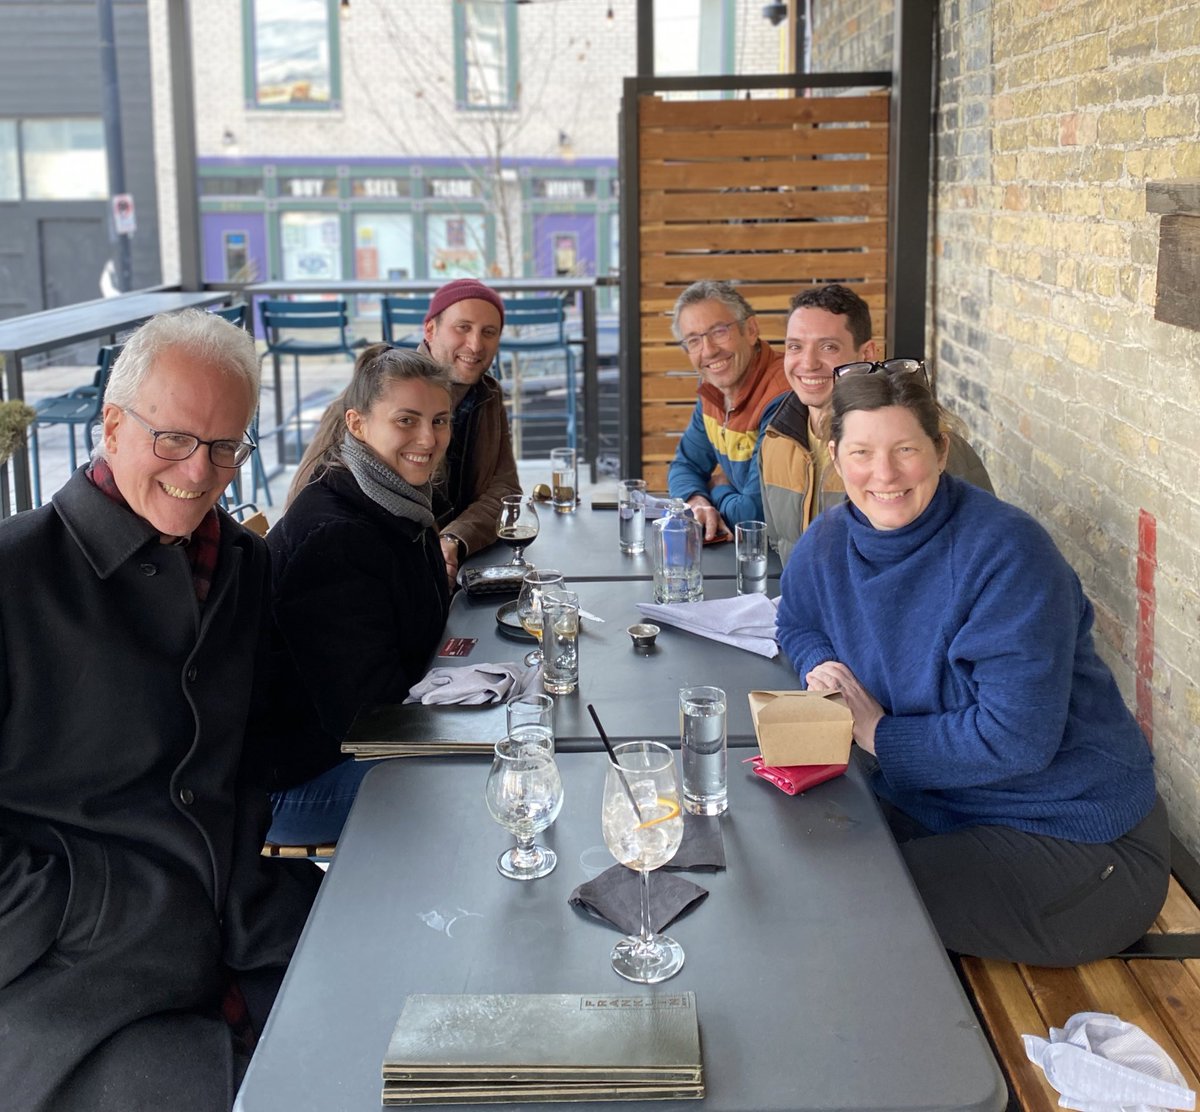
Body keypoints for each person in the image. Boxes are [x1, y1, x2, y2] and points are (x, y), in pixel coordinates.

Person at [0, 310, 320, 1112]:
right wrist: (80, 909)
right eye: (173, 438)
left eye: (225, 447)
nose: (199, 470)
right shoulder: (14, 575)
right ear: (112, 425)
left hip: (250, 930)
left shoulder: (242, 563)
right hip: (81, 981)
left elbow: (251, 753)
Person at [775, 368, 1169, 967]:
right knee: (790, 861)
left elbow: (1016, 740)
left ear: (939, 449)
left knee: (840, 910)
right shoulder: (828, 542)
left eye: (905, 449)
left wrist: (875, 730)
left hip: (1077, 841)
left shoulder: (1007, 554)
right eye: (861, 452)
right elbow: (797, 620)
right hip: (939, 811)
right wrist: (821, 665)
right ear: (834, 455)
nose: (883, 475)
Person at [268, 345, 454, 845]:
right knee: (489, 774)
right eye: (406, 420)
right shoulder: (336, 534)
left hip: (348, 746)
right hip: (297, 784)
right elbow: (367, 716)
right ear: (356, 423)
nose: (427, 438)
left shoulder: (394, 501)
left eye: (440, 421)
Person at [760, 284, 993, 564]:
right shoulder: (776, 439)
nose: (807, 363)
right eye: (795, 347)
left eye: (828, 347)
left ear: (868, 353)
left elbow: (980, 550)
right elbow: (779, 544)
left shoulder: (927, 443)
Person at [666, 280, 789, 540]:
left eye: (719, 331)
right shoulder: (714, 388)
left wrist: (718, 486)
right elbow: (684, 466)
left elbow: (753, 516)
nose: (708, 350)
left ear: (751, 330)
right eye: (694, 340)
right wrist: (698, 502)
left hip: (783, 558)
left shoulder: (781, 395)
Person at [420, 278, 521, 584]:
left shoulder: (488, 394)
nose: (476, 345)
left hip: (462, 569)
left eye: (488, 333)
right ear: (430, 330)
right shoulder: (387, 388)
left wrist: (453, 540)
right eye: (462, 327)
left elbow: (506, 494)